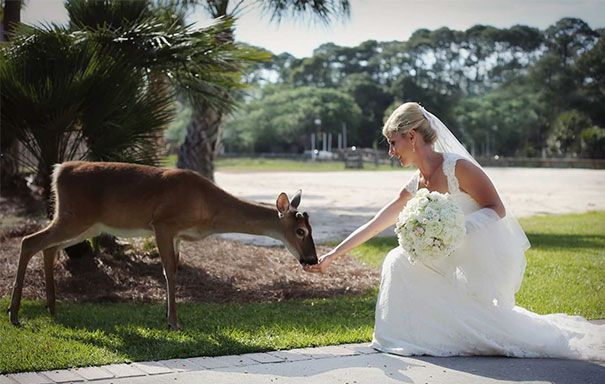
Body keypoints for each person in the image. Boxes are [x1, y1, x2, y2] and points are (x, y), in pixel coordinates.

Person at [305, 102, 604, 360]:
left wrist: (455, 229)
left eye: (393, 143)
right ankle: (411, 339)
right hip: (441, 255)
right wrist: (333, 254)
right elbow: (376, 223)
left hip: (472, 256)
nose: (390, 152)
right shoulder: (416, 183)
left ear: (411, 137)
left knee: (402, 263)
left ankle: (452, 335)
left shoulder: (458, 168)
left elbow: (496, 208)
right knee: (396, 259)